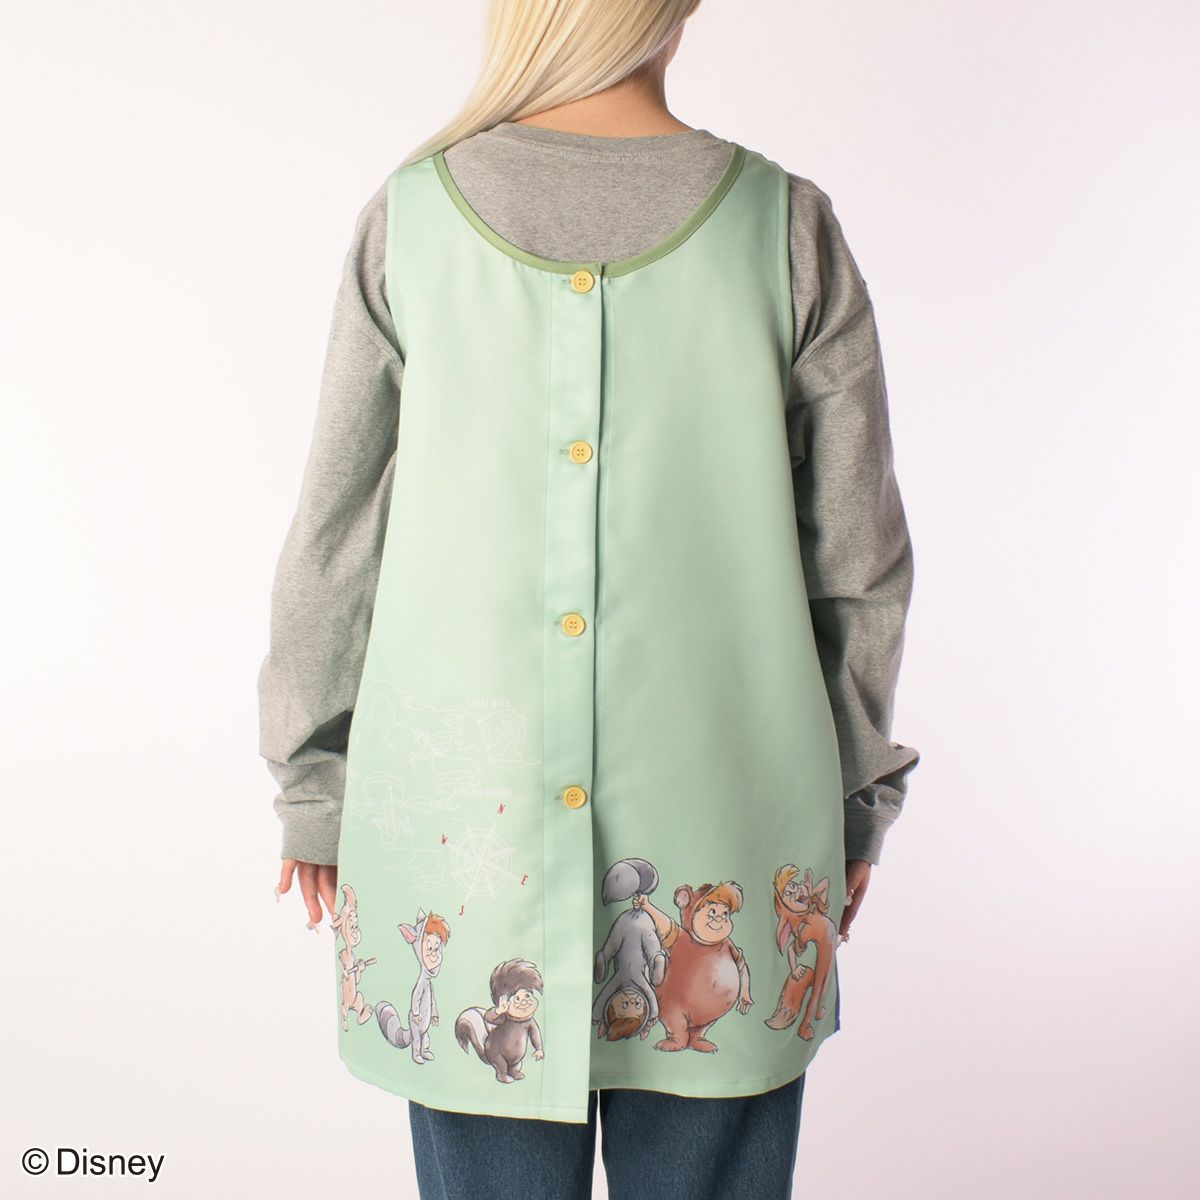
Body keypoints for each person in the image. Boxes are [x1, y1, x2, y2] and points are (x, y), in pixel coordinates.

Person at [257, 2, 920, 1197]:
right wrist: (855, 798)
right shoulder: (785, 228)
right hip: (738, 823)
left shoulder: (411, 220)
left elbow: (337, 534)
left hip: (464, 842)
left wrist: (316, 785)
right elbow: (857, 560)